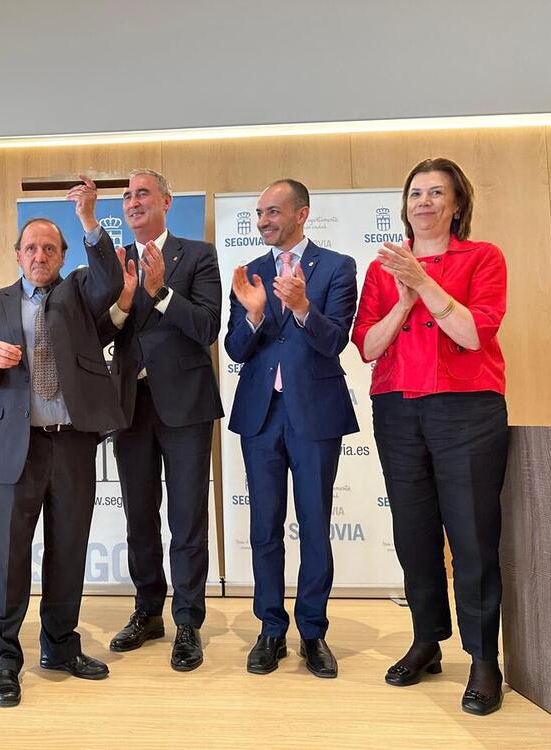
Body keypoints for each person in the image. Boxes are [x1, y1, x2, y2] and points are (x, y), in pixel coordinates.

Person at [0, 175, 125, 708]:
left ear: (62, 254)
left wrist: (89, 219)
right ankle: (4, 660)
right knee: (6, 556)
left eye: (50, 248)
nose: (40, 255)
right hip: (15, 445)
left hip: (72, 442)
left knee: (68, 548)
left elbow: (110, 275)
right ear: (16, 255)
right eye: (31, 247)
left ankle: (59, 645)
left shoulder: (80, 293)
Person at [351, 158, 508, 715]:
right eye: (415, 192)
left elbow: (471, 332)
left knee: (471, 538)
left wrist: (424, 282)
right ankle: (426, 640)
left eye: (436, 192)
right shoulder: (381, 268)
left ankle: (485, 658)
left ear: (457, 204)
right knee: (414, 533)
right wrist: (402, 297)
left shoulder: (483, 258)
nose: (424, 201)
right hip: (397, 409)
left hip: (467, 409)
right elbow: (368, 347)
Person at [224, 179, 358, 679]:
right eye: (259, 213)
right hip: (261, 415)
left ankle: (314, 632)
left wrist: (302, 307)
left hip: (315, 413)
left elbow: (335, 341)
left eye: (273, 211)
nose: (263, 221)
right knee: (265, 527)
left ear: (302, 214)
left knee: (315, 525)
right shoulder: (250, 272)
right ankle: (270, 629)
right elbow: (235, 348)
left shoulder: (338, 267)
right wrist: (255, 316)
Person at [101, 169, 223, 672]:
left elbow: (207, 327)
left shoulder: (197, 255)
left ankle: (188, 622)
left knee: (187, 518)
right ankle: (149, 611)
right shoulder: (114, 261)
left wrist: (162, 291)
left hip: (186, 405)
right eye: (127, 196)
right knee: (139, 516)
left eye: (142, 193)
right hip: (131, 405)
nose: (133, 202)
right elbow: (101, 327)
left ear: (167, 202)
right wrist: (127, 299)